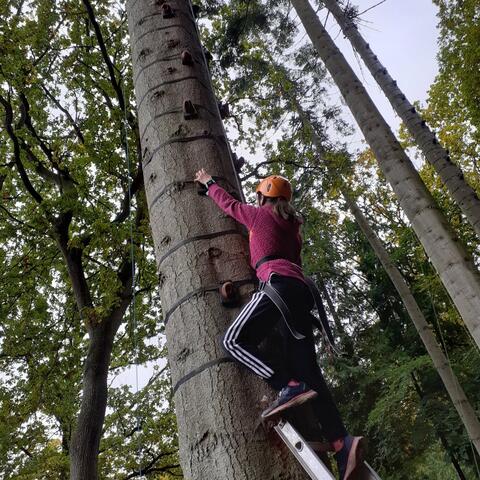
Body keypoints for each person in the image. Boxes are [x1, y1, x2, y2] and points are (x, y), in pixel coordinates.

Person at [194, 169, 365, 480]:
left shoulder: (260, 215)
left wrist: (209, 183)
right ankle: (342, 443)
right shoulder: (292, 227)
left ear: (262, 196)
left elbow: (230, 206)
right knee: (311, 373)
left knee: (232, 340)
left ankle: (286, 385)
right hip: (301, 292)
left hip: (277, 286)